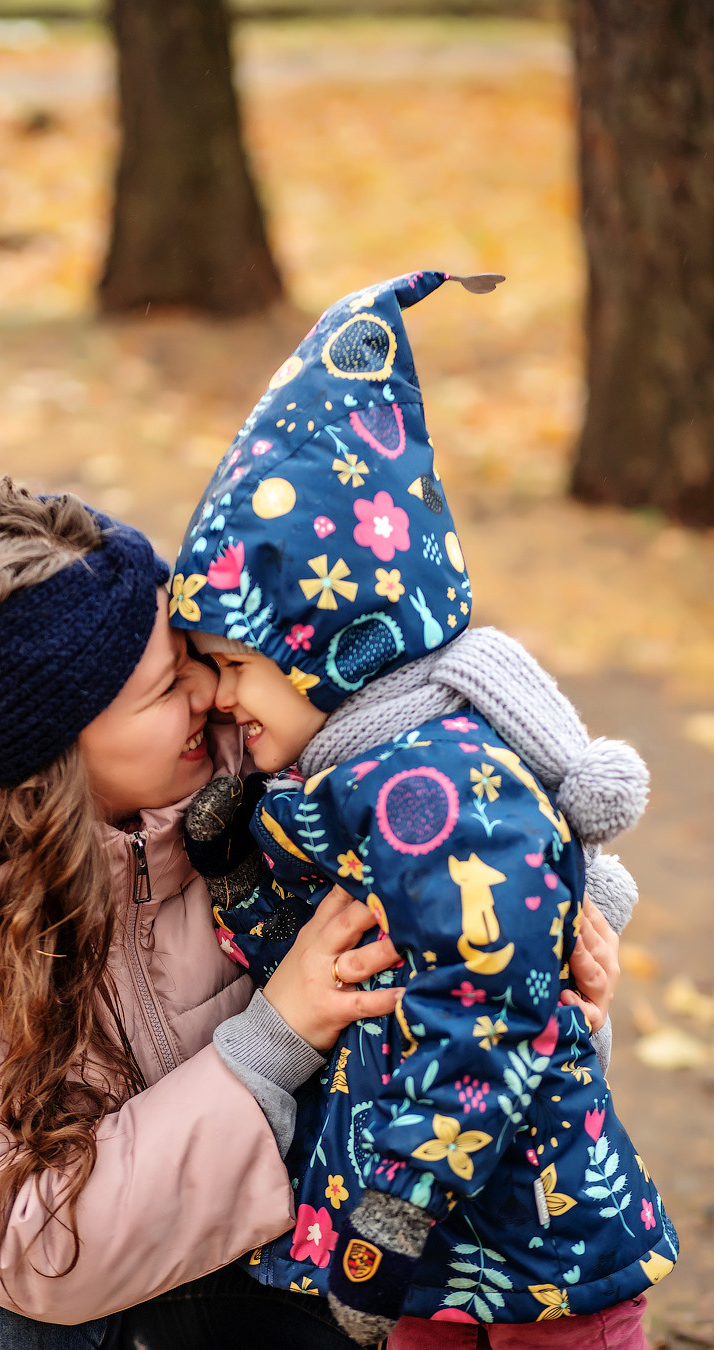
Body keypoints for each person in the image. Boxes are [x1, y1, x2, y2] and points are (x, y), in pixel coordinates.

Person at [169, 270, 678, 1348]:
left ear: (321, 642)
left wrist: (389, 1213)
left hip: (530, 1237)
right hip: (421, 1246)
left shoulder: (436, 787)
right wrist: (238, 877)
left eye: (232, 665)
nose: (215, 697)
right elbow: (323, 965)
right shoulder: (339, 778)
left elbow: (484, 1006)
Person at [0, 479, 411, 1350]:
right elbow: (22, 1238)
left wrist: (551, 967)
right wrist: (274, 1037)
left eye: (192, 658)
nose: (211, 692)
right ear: (51, 762)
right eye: (168, 686)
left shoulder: (257, 752)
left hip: (227, 1197)